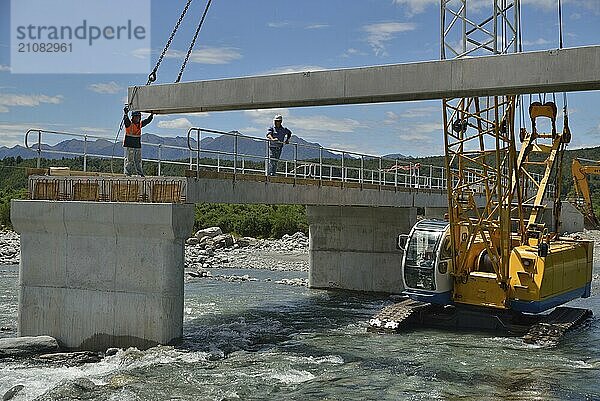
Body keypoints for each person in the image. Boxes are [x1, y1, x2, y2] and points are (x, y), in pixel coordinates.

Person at [123, 107, 153, 176]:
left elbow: (147, 121)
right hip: (129, 145)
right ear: (133, 117)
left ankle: (140, 173)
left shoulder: (140, 124)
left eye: (139, 117)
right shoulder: (129, 124)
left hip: (137, 145)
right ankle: (127, 173)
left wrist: (151, 115)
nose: (138, 118)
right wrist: (125, 114)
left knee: (138, 161)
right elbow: (126, 120)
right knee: (129, 160)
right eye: (136, 117)